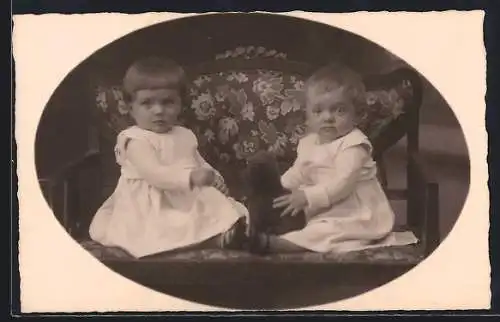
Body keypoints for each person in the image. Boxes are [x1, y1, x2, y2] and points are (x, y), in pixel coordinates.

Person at [249, 62, 418, 254]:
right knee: (298, 219)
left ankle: (273, 245)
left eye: (339, 110)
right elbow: (299, 172)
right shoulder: (310, 143)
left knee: (326, 232)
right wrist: (281, 191)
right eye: (318, 111)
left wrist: (308, 196)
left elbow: (343, 183)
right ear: (308, 117)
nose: (328, 118)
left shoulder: (353, 144)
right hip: (323, 208)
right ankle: (260, 233)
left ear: (357, 115)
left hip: (354, 212)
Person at [88, 56, 248, 258]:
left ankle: (227, 234)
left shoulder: (184, 134)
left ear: (181, 104)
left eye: (168, 102)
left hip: (184, 195)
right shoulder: (135, 140)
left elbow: (196, 161)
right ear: (131, 108)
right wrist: (190, 178)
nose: (159, 111)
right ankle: (217, 239)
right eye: (147, 103)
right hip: (151, 202)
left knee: (215, 208)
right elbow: (155, 174)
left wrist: (214, 176)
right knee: (169, 228)